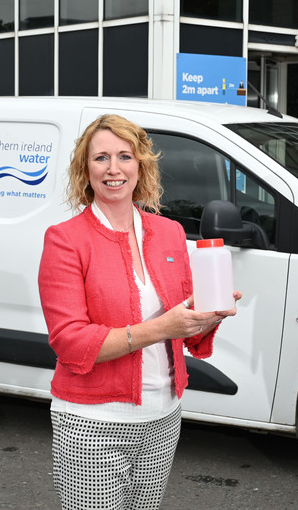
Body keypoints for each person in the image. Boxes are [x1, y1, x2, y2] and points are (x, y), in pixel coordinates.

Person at [38, 114, 239, 509]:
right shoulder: (65, 240)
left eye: (125, 156)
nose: (114, 169)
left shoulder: (170, 233)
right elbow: (71, 343)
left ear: (141, 165)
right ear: (85, 170)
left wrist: (207, 315)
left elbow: (186, 332)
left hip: (163, 417)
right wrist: (162, 327)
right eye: (101, 158)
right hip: (93, 424)